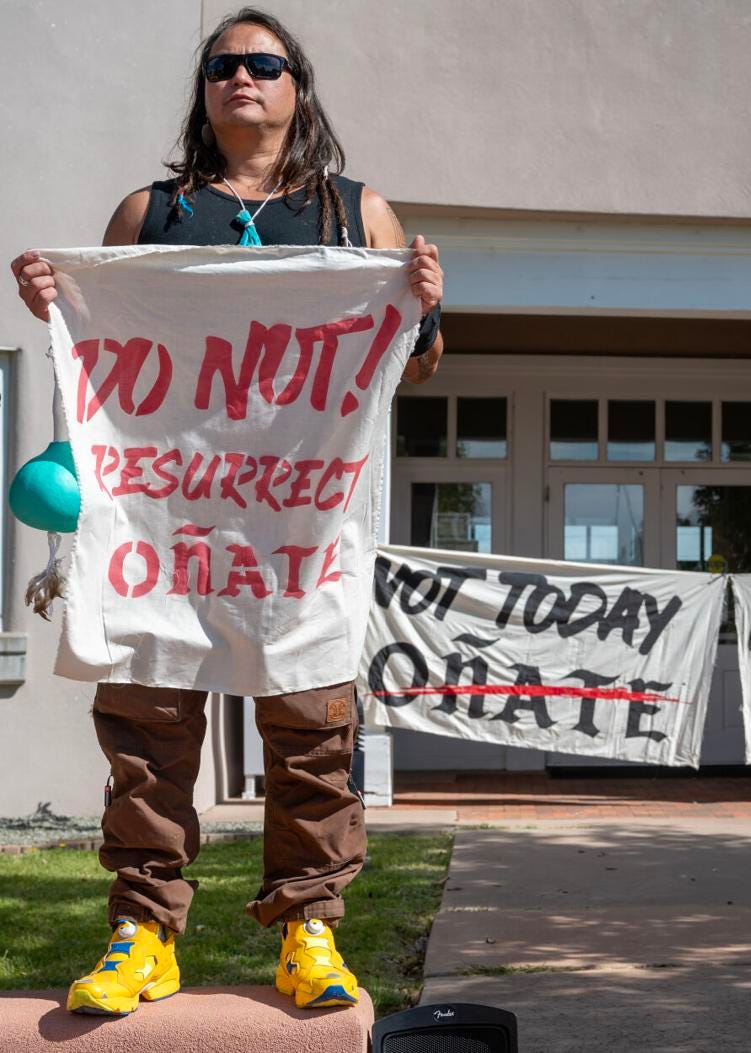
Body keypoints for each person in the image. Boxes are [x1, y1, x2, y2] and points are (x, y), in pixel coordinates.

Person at [8, 7, 445, 1016]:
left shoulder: (355, 217)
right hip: (164, 530)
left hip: (297, 532)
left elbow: (410, 366)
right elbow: (95, 329)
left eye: (264, 64)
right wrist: (55, 299)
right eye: (223, 66)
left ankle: (309, 933)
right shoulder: (148, 217)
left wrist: (420, 304)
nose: (242, 78)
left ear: (298, 88)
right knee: (147, 729)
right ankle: (142, 934)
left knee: (312, 733)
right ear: (203, 91)